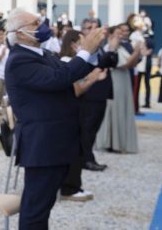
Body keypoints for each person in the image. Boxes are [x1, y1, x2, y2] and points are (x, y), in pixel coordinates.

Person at [4, 8, 104, 229]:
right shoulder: (20, 60)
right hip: (43, 143)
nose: (43, 26)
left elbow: (70, 71)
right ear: (19, 33)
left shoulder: (43, 54)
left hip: (55, 142)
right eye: (35, 23)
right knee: (35, 207)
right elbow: (59, 79)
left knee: (44, 204)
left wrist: (92, 51)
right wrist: (84, 52)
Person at [57, 30, 108, 202]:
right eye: (83, 41)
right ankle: (69, 187)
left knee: (78, 147)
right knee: (74, 150)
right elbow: (76, 91)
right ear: (73, 44)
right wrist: (93, 79)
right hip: (70, 113)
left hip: (74, 111)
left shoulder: (72, 62)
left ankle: (72, 186)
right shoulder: (66, 62)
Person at [79, 19, 119, 171]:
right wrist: (111, 51)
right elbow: (95, 65)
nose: (94, 31)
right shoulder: (85, 48)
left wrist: (112, 51)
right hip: (90, 93)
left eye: (97, 28)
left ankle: (88, 157)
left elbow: (111, 63)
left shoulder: (100, 48)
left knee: (94, 127)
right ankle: (86, 159)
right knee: (88, 128)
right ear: (83, 30)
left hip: (100, 93)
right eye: (90, 28)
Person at [96, 25, 141, 154]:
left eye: (122, 33)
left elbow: (131, 64)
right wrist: (136, 52)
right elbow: (123, 65)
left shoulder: (121, 48)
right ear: (110, 35)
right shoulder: (109, 49)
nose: (121, 35)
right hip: (115, 82)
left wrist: (136, 54)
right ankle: (113, 142)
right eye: (118, 33)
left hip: (123, 81)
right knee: (116, 110)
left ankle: (120, 141)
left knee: (123, 109)